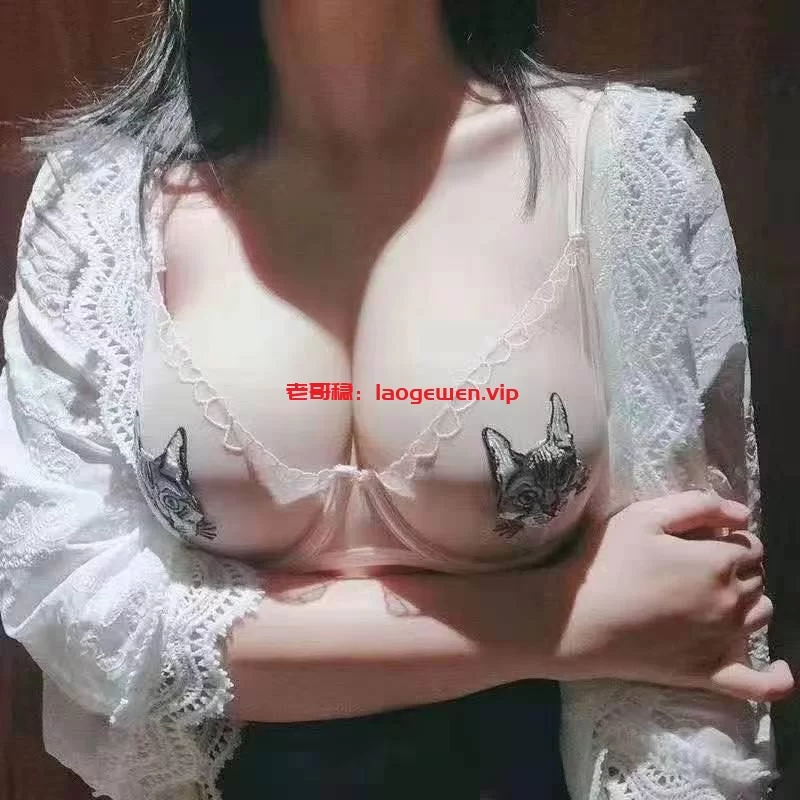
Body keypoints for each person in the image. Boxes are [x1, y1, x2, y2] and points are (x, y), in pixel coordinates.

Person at [0, 1, 792, 799]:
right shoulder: (100, 201)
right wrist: (559, 619)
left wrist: (612, 628)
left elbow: (691, 638)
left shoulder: (624, 162)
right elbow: (82, 620)